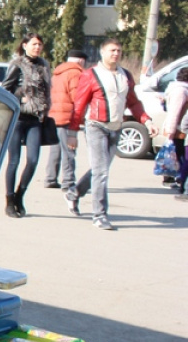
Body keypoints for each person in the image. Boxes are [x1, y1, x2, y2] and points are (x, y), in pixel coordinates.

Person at [66, 38, 154, 230]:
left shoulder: (126, 75)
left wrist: (146, 120)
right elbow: (79, 105)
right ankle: (100, 215)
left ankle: (74, 193)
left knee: (100, 169)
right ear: (102, 53)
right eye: (112, 50)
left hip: (116, 127)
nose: (116, 54)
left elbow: (133, 102)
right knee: (101, 172)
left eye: (119, 50)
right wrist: (72, 132)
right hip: (96, 126)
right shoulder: (91, 75)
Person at [0, 33, 52, 218]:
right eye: (34, 44)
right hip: (18, 118)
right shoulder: (18, 64)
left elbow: (47, 90)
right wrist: (20, 96)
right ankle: (9, 200)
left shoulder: (44, 65)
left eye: (40, 44)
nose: (37, 47)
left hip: (35, 119)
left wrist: (46, 109)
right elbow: (5, 88)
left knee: (33, 160)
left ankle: (20, 195)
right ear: (24, 45)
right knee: (13, 160)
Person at [49, 49, 88, 193]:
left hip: (54, 115)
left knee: (56, 149)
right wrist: (81, 117)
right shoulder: (76, 74)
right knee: (69, 150)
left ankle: (50, 178)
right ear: (81, 61)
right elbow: (77, 98)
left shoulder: (57, 73)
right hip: (67, 116)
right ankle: (68, 181)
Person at [161, 67, 188, 198]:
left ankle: (176, 180)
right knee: (181, 157)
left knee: (179, 156)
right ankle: (179, 182)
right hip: (179, 129)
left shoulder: (178, 89)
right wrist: (171, 130)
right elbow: (175, 112)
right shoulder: (181, 91)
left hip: (179, 128)